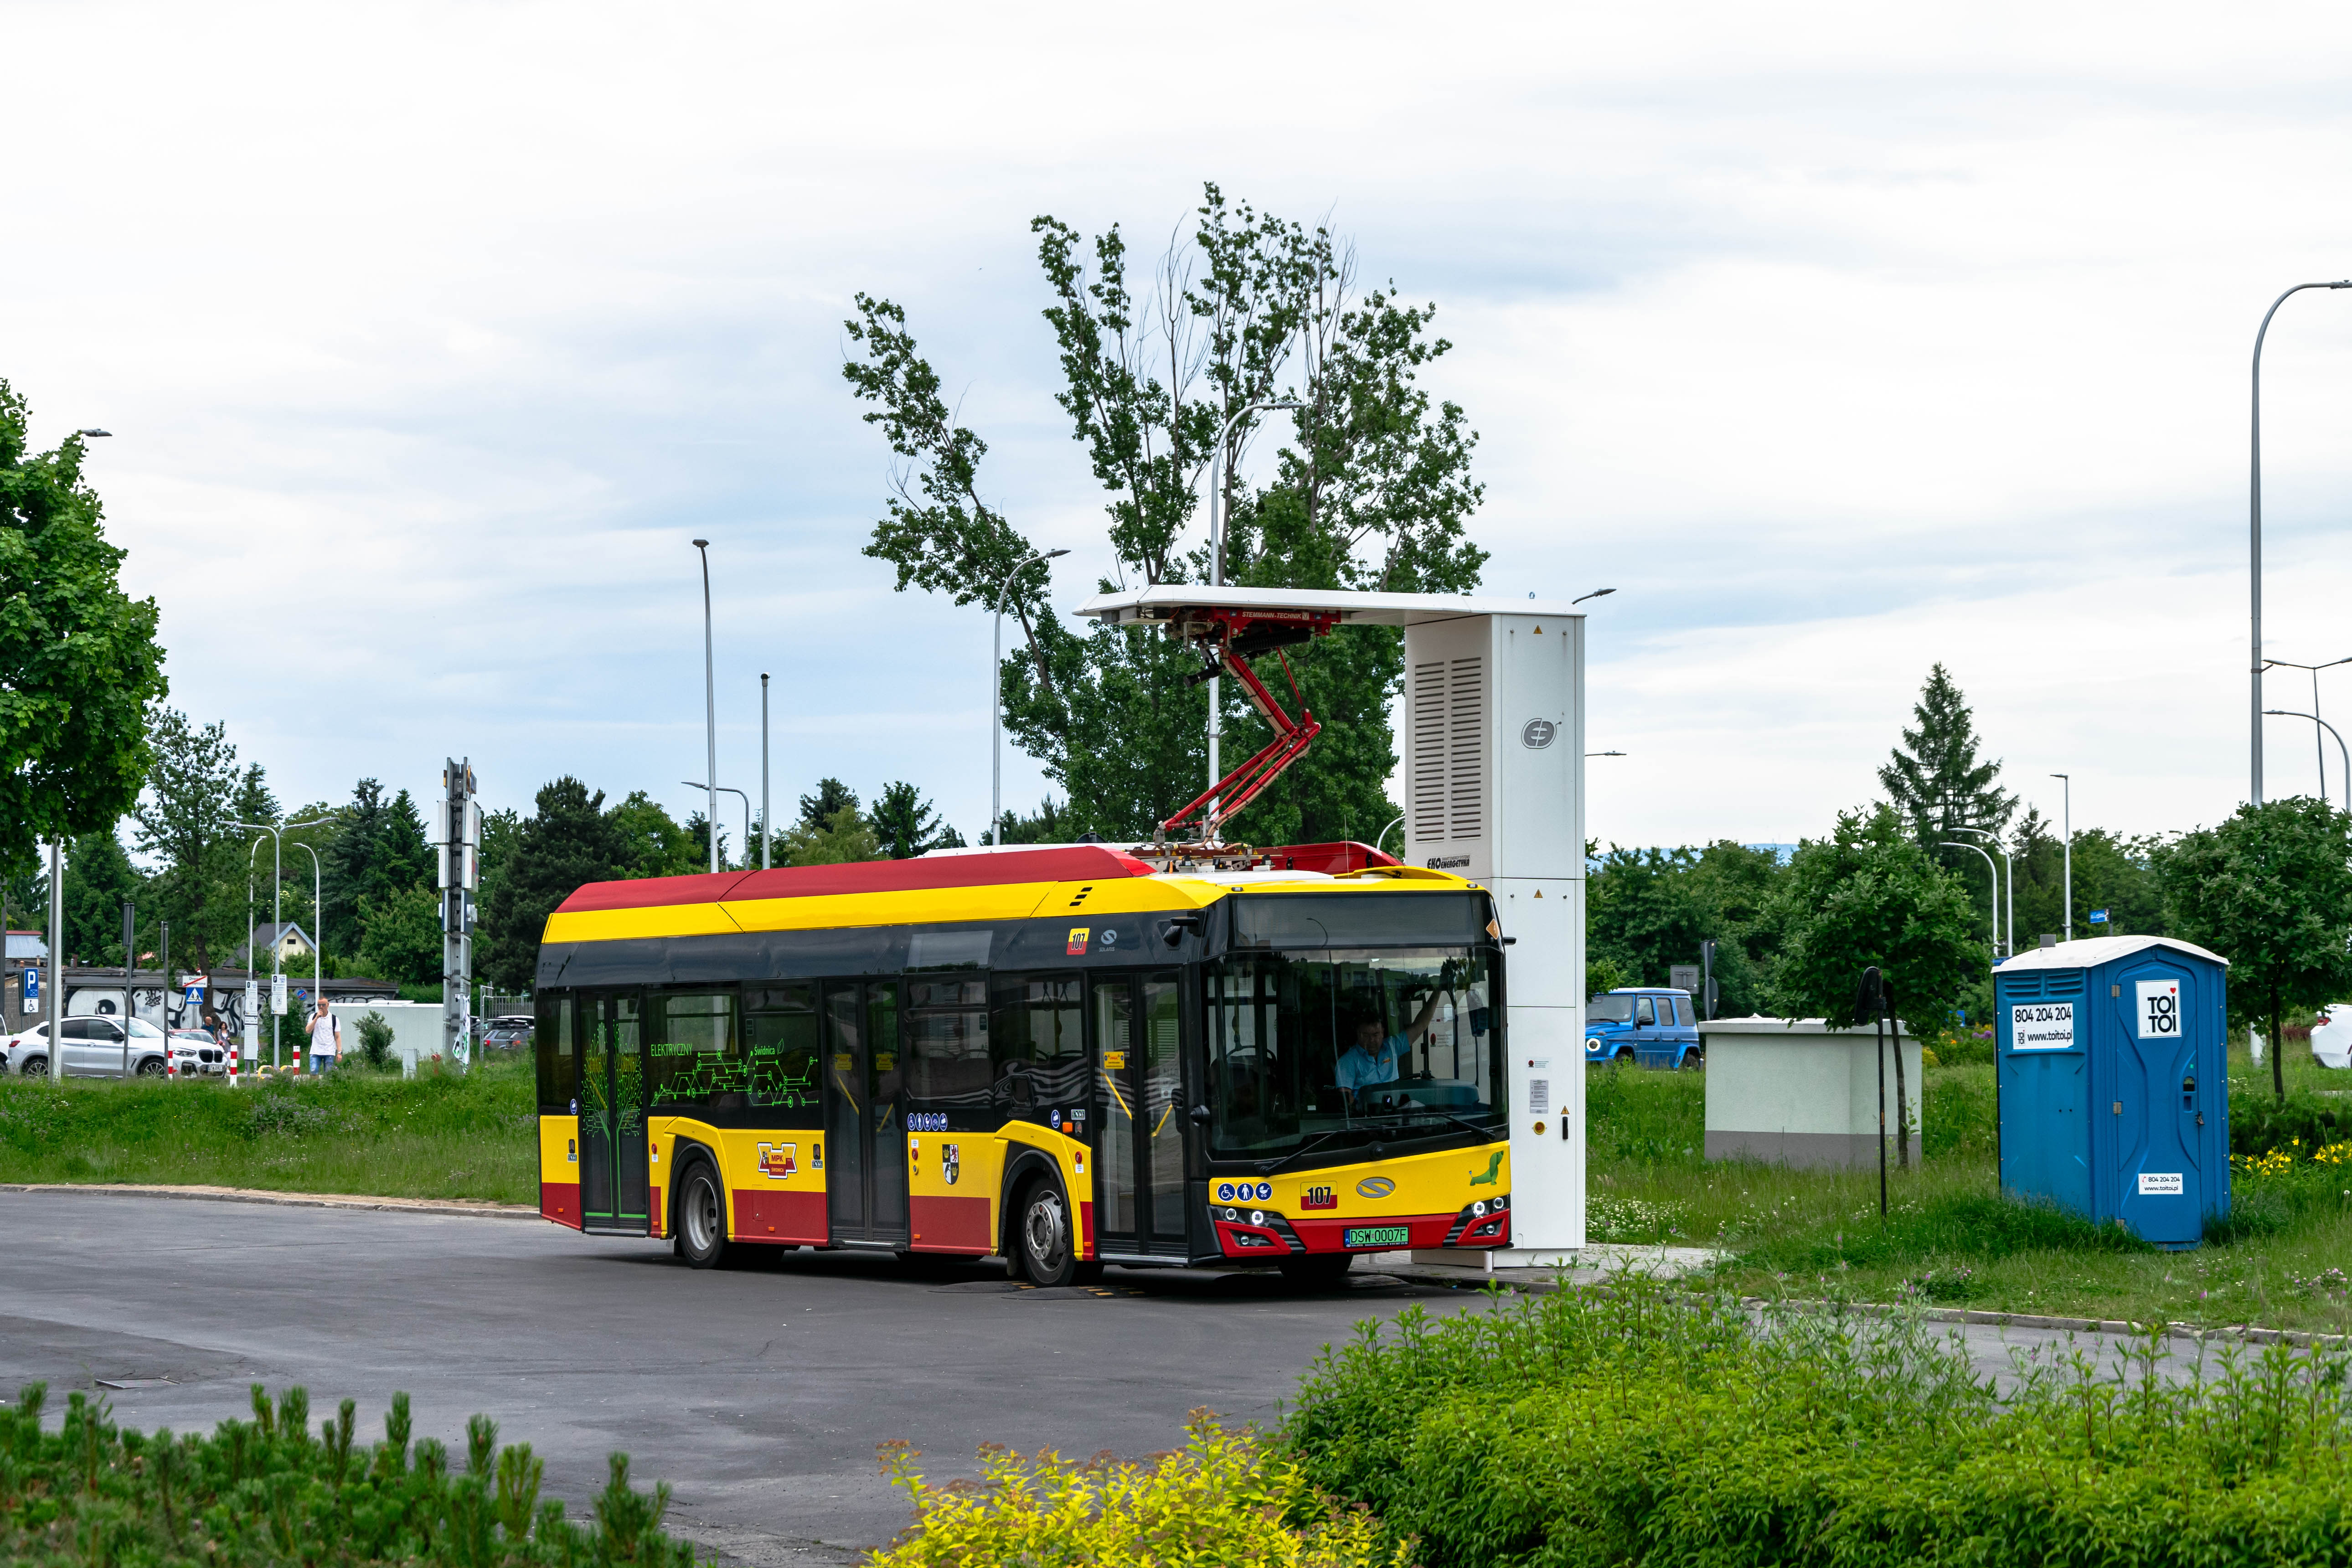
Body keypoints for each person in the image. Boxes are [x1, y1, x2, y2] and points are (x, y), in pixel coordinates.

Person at [1335, 965, 1455, 1104]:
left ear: (1383, 1032)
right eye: (1366, 1036)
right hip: (1366, 1121)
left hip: (1397, 1117)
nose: (1372, 1040)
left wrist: (1438, 991)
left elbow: (1419, 1026)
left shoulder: (1392, 1046)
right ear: (1358, 1034)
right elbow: (1344, 1102)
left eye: (1376, 1034)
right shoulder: (1347, 1062)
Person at [306, 997, 342, 1074]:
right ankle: (314, 1085)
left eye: (323, 1005)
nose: (321, 1007)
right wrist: (316, 1018)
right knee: (313, 1072)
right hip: (316, 1050)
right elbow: (308, 1031)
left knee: (329, 1074)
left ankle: (328, 1086)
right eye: (319, 1005)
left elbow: (337, 1037)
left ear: (328, 1005)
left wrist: (339, 1052)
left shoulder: (334, 1019)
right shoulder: (313, 1016)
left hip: (329, 1051)